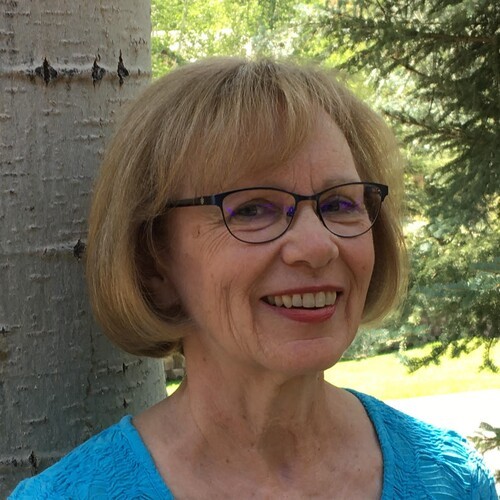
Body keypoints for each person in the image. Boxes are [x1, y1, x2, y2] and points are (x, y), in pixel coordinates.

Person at [10, 58, 496, 499]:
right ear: (154, 261)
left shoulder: (450, 481)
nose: (318, 246)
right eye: (252, 209)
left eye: (339, 203)